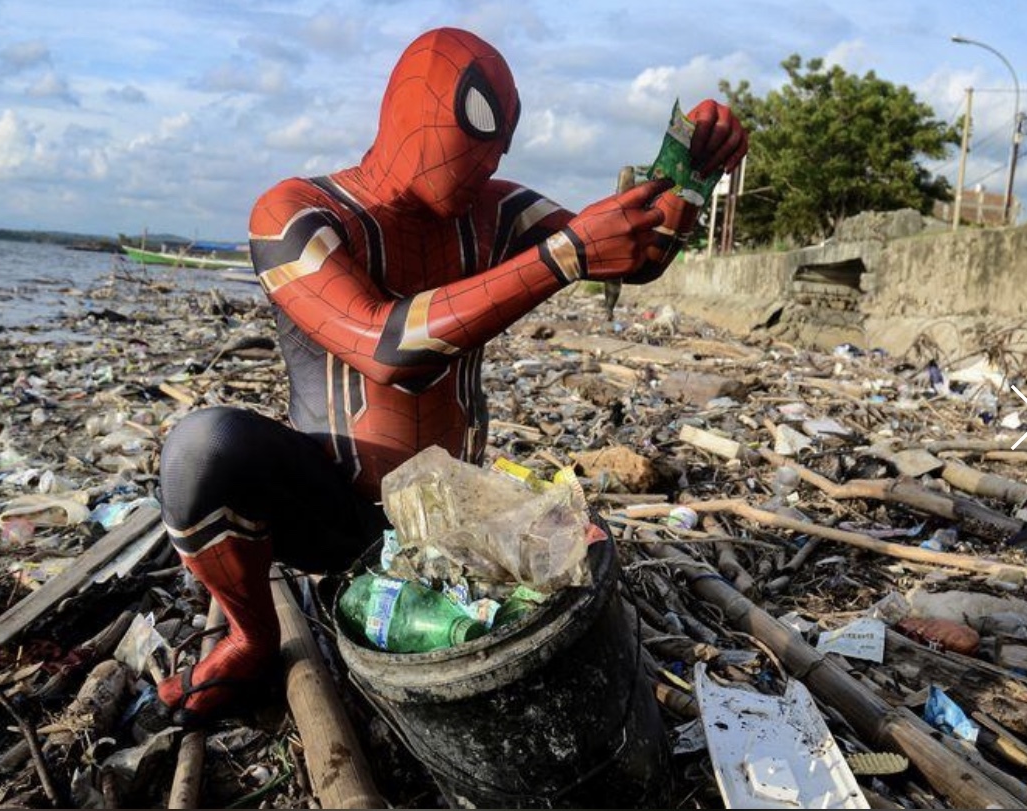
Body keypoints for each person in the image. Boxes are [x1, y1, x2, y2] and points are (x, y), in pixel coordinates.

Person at [156, 26, 747, 725]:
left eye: (504, 135)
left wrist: (686, 175)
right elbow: (386, 347)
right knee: (202, 451)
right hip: (334, 510)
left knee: (580, 557)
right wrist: (561, 257)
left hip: (452, 511)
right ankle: (253, 636)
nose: (492, 153)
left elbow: (629, 251)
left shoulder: (497, 212)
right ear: (410, 108)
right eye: (480, 121)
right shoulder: (297, 214)